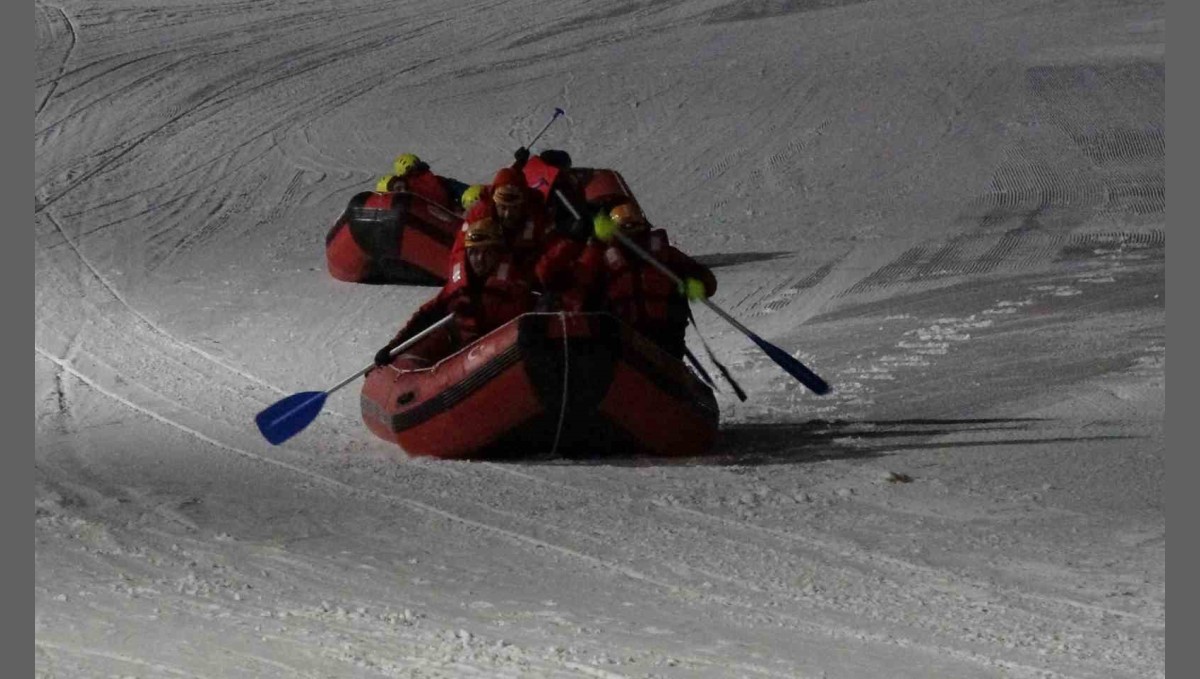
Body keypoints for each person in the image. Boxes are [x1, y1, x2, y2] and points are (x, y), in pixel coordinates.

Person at [373, 217, 537, 369]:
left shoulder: (515, 284)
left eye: (487, 252)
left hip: (500, 357)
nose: (479, 259)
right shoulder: (457, 288)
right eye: (474, 252)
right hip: (465, 355)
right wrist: (392, 347)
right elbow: (426, 316)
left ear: (498, 254)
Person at [585, 202, 717, 358]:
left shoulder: (664, 254)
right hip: (622, 343)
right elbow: (582, 280)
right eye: (625, 225)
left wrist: (699, 283)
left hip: (666, 341)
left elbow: (705, 279)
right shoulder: (603, 256)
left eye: (635, 223)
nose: (631, 229)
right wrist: (595, 243)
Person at [374, 152, 467, 211]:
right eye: (412, 170)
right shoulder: (410, 190)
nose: (403, 191)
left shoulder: (432, 181)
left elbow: (455, 188)